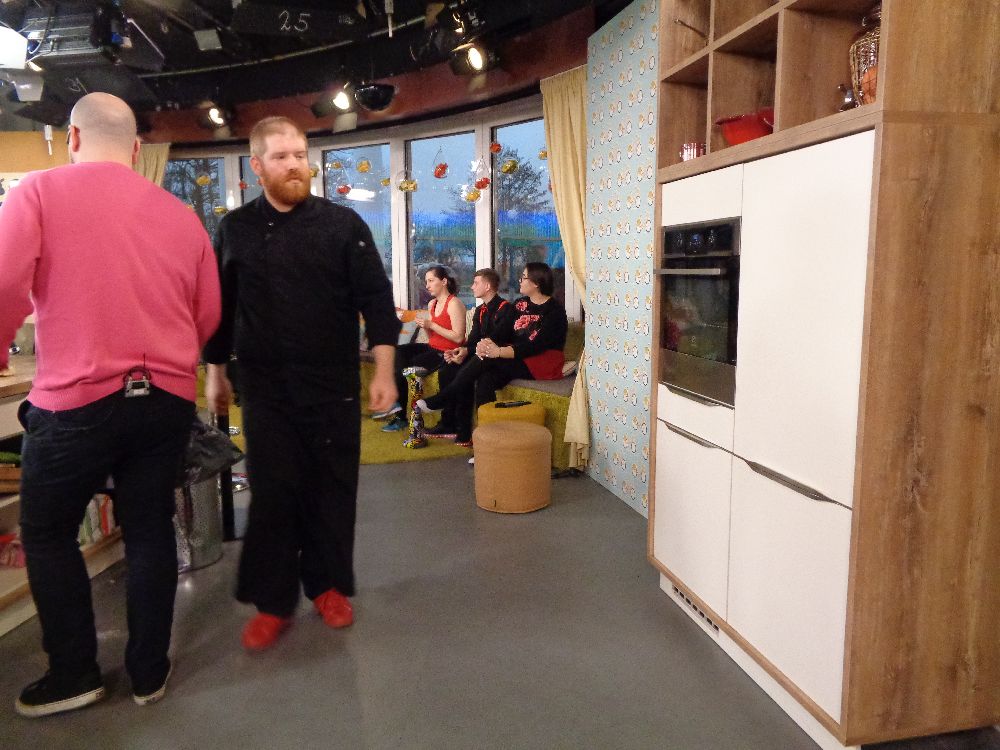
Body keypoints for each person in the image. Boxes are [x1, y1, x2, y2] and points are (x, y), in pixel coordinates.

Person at [0, 92, 222, 716]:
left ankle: (74, 673)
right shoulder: (181, 216)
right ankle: (149, 672)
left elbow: (3, 283)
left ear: (72, 138)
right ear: (136, 149)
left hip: (77, 398)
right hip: (165, 399)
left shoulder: (38, 192)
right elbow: (207, 313)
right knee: (149, 527)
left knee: (47, 532)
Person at [203, 116, 400, 652]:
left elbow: (377, 301)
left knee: (330, 491)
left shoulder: (343, 225)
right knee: (273, 494)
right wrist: (215, 373)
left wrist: (385, 371)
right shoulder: (236, 229)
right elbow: (221, 309)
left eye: (299, 155)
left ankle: (327, 587)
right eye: (281, 157)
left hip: (333, 386)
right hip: (265, 389)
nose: (294, 165)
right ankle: (273, 603)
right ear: (257, 166)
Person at [417, 262, 567, 445]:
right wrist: (485, 345)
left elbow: (536, 346)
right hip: (517, 357)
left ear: (536, 282)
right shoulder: (519, 304)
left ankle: (443, 398)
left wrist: (498, 351)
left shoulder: (555, 311)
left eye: (523, 277)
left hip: (541, 361)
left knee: (486, 360)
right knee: (485, 378)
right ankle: (486, 442)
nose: (519, 280)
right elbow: (502, 332)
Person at [377, 266, 466, 433]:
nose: (427, 285)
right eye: (426, 281)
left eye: (431, 281)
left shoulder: (454, 304)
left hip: (447, 352)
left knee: (410, 365)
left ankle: (402, 414)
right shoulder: (432, 303)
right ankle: (398, 411)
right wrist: (425, 326)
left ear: (444, 281)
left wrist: (431, 324)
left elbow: (458, 337)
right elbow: (433, 335)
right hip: (432, 347)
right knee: (397, 352)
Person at [432, 268, 515, 444]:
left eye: (476, 283)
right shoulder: (479, 310)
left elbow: (497, 339)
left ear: (487, 286)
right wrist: (462, 351)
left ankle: (443, 401)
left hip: (499, 358)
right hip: (480, 355)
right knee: (448, 368)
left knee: (474, 375)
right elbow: (473, 340)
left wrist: (471, 350)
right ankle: (455, 427)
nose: (471, 287)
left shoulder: (506, 308)